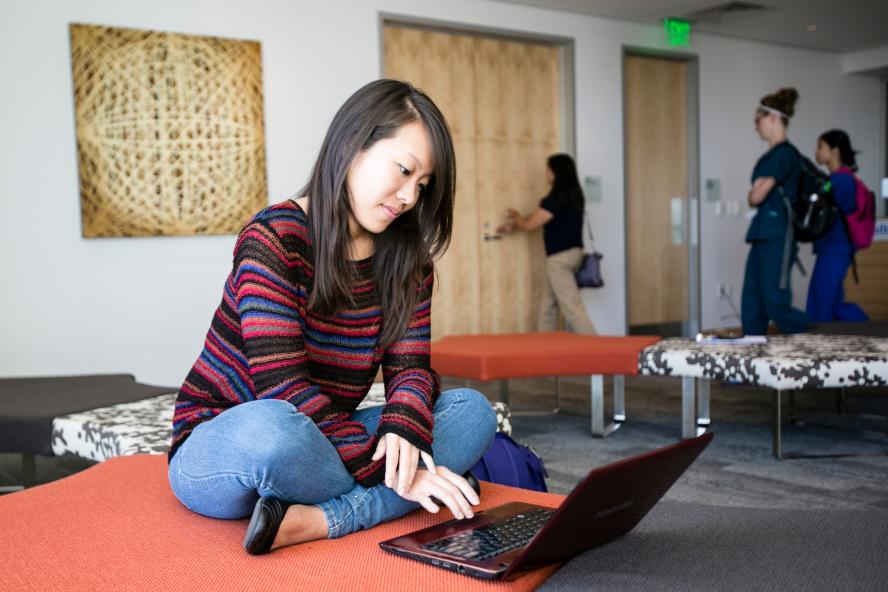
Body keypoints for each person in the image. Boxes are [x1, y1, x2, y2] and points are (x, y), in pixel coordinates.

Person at [167, 79, 497, 555]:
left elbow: (410, 372)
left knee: (471, 413)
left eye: (422, 186)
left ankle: (317, 519)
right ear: (352, 144)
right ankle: (402, 494)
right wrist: (399, 470)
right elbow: (282, 388)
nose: (408, 197)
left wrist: (404, 425)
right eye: (403, 170)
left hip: (325, 438)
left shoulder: (408, 260)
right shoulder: (274, 238)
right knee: (274, 429)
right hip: (231, 442)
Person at [497, 153, 597, 334]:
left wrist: (516, 217)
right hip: (573, 254)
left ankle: (599, 349)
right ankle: (543, 345)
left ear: (556, 172)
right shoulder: (574, 196)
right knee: (548, 304)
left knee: (572, 307)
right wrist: (515, 224)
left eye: (548, 169)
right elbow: (541, 218)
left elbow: (529, 224)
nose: (546, 172)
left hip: (559, 259)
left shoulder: (555, 199)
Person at [740, 87, 809, 336]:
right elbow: (757, 194)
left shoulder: (784, 155)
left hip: (778, 237)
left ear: (773, 118)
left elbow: (756, 196)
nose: (756, 126)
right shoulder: (774, 156)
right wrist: (755, 193)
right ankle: (749, 367)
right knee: (752, 305)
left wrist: (754, 193)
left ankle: (821, 337)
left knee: (775, 305)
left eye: (758, 120)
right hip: (762, 235)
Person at [806, 130, 869, 322]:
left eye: (820, 146)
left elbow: (834, 212)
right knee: (833, 305)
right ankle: (867, 333)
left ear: (834, 151)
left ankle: (822, 346)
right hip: (834, 249)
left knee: (820, 304)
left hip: (835, 249)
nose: (817, 151)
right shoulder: (835, 179)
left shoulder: (840, 180)